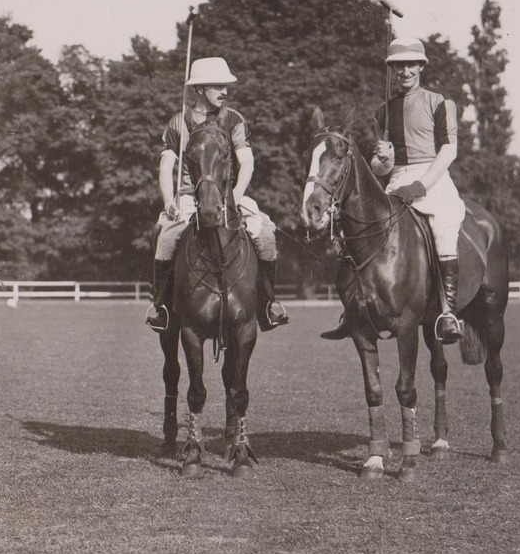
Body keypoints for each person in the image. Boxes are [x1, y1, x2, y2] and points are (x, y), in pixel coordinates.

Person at [321, 37, 465, 343]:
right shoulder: (383, 112)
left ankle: (448, 311)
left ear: (421, 66)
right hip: (397, 180)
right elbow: (380, 167)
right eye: (399, 65)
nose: (405, 71)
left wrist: (421, 184)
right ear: (392, 70)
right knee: (360, 228)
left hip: (434, 179)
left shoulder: (440, 103)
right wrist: (384, 160)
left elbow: (449, 151)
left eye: (411, 64)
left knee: (443, 227)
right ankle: (353, 310)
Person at [145, 56, 289, 333]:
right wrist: (168, 202)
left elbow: (246, 161)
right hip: (189, 197)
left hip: (229, 196)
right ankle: (161, 307)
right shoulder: (178, 122)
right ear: (199, 89)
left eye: (226, 86)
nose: (224, 91)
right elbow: (166, 167)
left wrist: (235, 195)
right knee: (165, 236)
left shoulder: (234, 119)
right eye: (217, 86)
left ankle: (268, 304)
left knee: (266, 233)